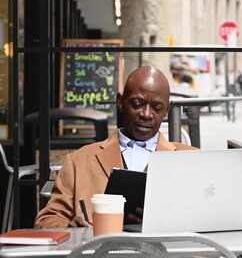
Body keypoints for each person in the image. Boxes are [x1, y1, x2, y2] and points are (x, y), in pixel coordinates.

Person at [35, 66, 195, 228]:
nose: (146, 114)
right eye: (137, 103)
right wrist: (71, 229)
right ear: (120, 102)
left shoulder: (190, 160)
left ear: (166, 111)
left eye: (157, 108)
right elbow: (47, 220)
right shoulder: (79, 161)